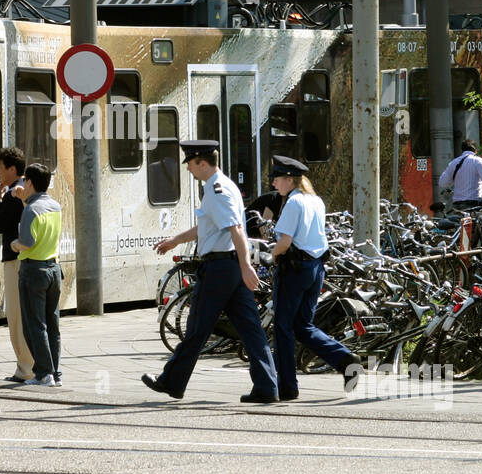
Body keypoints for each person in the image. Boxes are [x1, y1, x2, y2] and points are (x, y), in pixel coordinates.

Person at [143, 140, 280, 403]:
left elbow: (236, 230)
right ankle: (267, 386)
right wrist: (176, 240)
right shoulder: (223, 185)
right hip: (229, 266)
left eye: (191, 165)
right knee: (251, 329)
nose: (189, 170)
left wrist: (246, 267)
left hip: (219, 269)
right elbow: (208, 227)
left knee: (197, 328)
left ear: (202, 163)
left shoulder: (216, 191)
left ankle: (171, 381)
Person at [267, 156, 362, 398]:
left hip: (294, 271)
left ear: (290, 179)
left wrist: (271, 256)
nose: (274, 184)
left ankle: (287, 386)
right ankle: (345, 359)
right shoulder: (316, 201)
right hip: (316, 269)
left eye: (276, 179)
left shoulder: (293, 203)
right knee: (303, 326)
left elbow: (285, 242)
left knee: (283, 328)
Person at [11, 163, 63, 387]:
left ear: (30, 182)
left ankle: (43, 373)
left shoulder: (30, 210)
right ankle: (55, 372)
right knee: (52, 324)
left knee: (34, 324)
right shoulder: (55, 206)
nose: (22, 184)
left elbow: (27, 242)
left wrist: (14, 244)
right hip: (53, 269)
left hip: (33, 270)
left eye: (24, 180)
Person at [0, 146, 36, 382]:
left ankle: (25, 369)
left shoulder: (13, 193)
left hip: (15, 260)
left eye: (0, 168)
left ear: (13, 169)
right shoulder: (29, 188)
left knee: (17, 317)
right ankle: (34, 367)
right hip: (29, 260)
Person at [437, 139, 482, 210]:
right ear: (475, 150)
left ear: (462, 150)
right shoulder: (478, 161)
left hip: (456, 205)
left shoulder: (453, 163)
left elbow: (442, 183)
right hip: (473, 205)